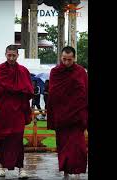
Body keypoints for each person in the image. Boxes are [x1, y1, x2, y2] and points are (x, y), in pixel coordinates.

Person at [0, 45, 33, 178]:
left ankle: (21, 168)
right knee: (2, 138)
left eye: (14, 55)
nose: (11, 58)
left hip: (18, 110)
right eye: (9, 55)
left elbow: (29, 89)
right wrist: (21, 89)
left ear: (18, 55)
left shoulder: (23, 70)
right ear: (5, 54)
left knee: (18, 138)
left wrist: (22, 90)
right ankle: (1, 166)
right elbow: (4, 86)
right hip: (2, 109)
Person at [47, 46, 88, 179]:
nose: (66, 62)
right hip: (62, 115)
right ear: (61, 57)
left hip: (77, 116)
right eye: (64, 59)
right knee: (63, 146)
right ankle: (65, 173)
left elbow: (85, 93)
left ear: (74, 58)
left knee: (78, 147)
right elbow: (52, 94)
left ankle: (77, 173)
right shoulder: (55, 72)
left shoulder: (81, 72)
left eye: (69, 60)